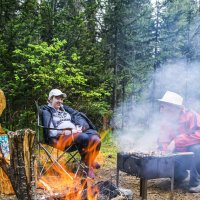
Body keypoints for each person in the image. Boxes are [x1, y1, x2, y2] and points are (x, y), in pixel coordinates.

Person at [41, 88, 101, 179]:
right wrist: (66, 131)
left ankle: (90, 161)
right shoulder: (47, 111)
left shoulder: (64, 109)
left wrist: (78, 127)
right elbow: (51, 132)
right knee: (83, 138)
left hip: (74, 133)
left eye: (61, 99)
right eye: (57, 98)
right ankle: (89, 167)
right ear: (50, 99)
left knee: (96, 139)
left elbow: (77, 115)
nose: (60, 101)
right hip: (61, 137)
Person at [157, 90, 200, 193]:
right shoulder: (167, 119)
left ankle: (196, 183)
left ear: (178, 108)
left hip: (196, 154)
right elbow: (163, 138)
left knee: (196, 148)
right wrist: (162, 150)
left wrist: (176, 141)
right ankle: (181, 176)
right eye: (163, 106)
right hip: (182, 154)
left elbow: (198, 133)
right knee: (165, 156)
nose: (164, 110)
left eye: (168, 107)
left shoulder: (191, 115)